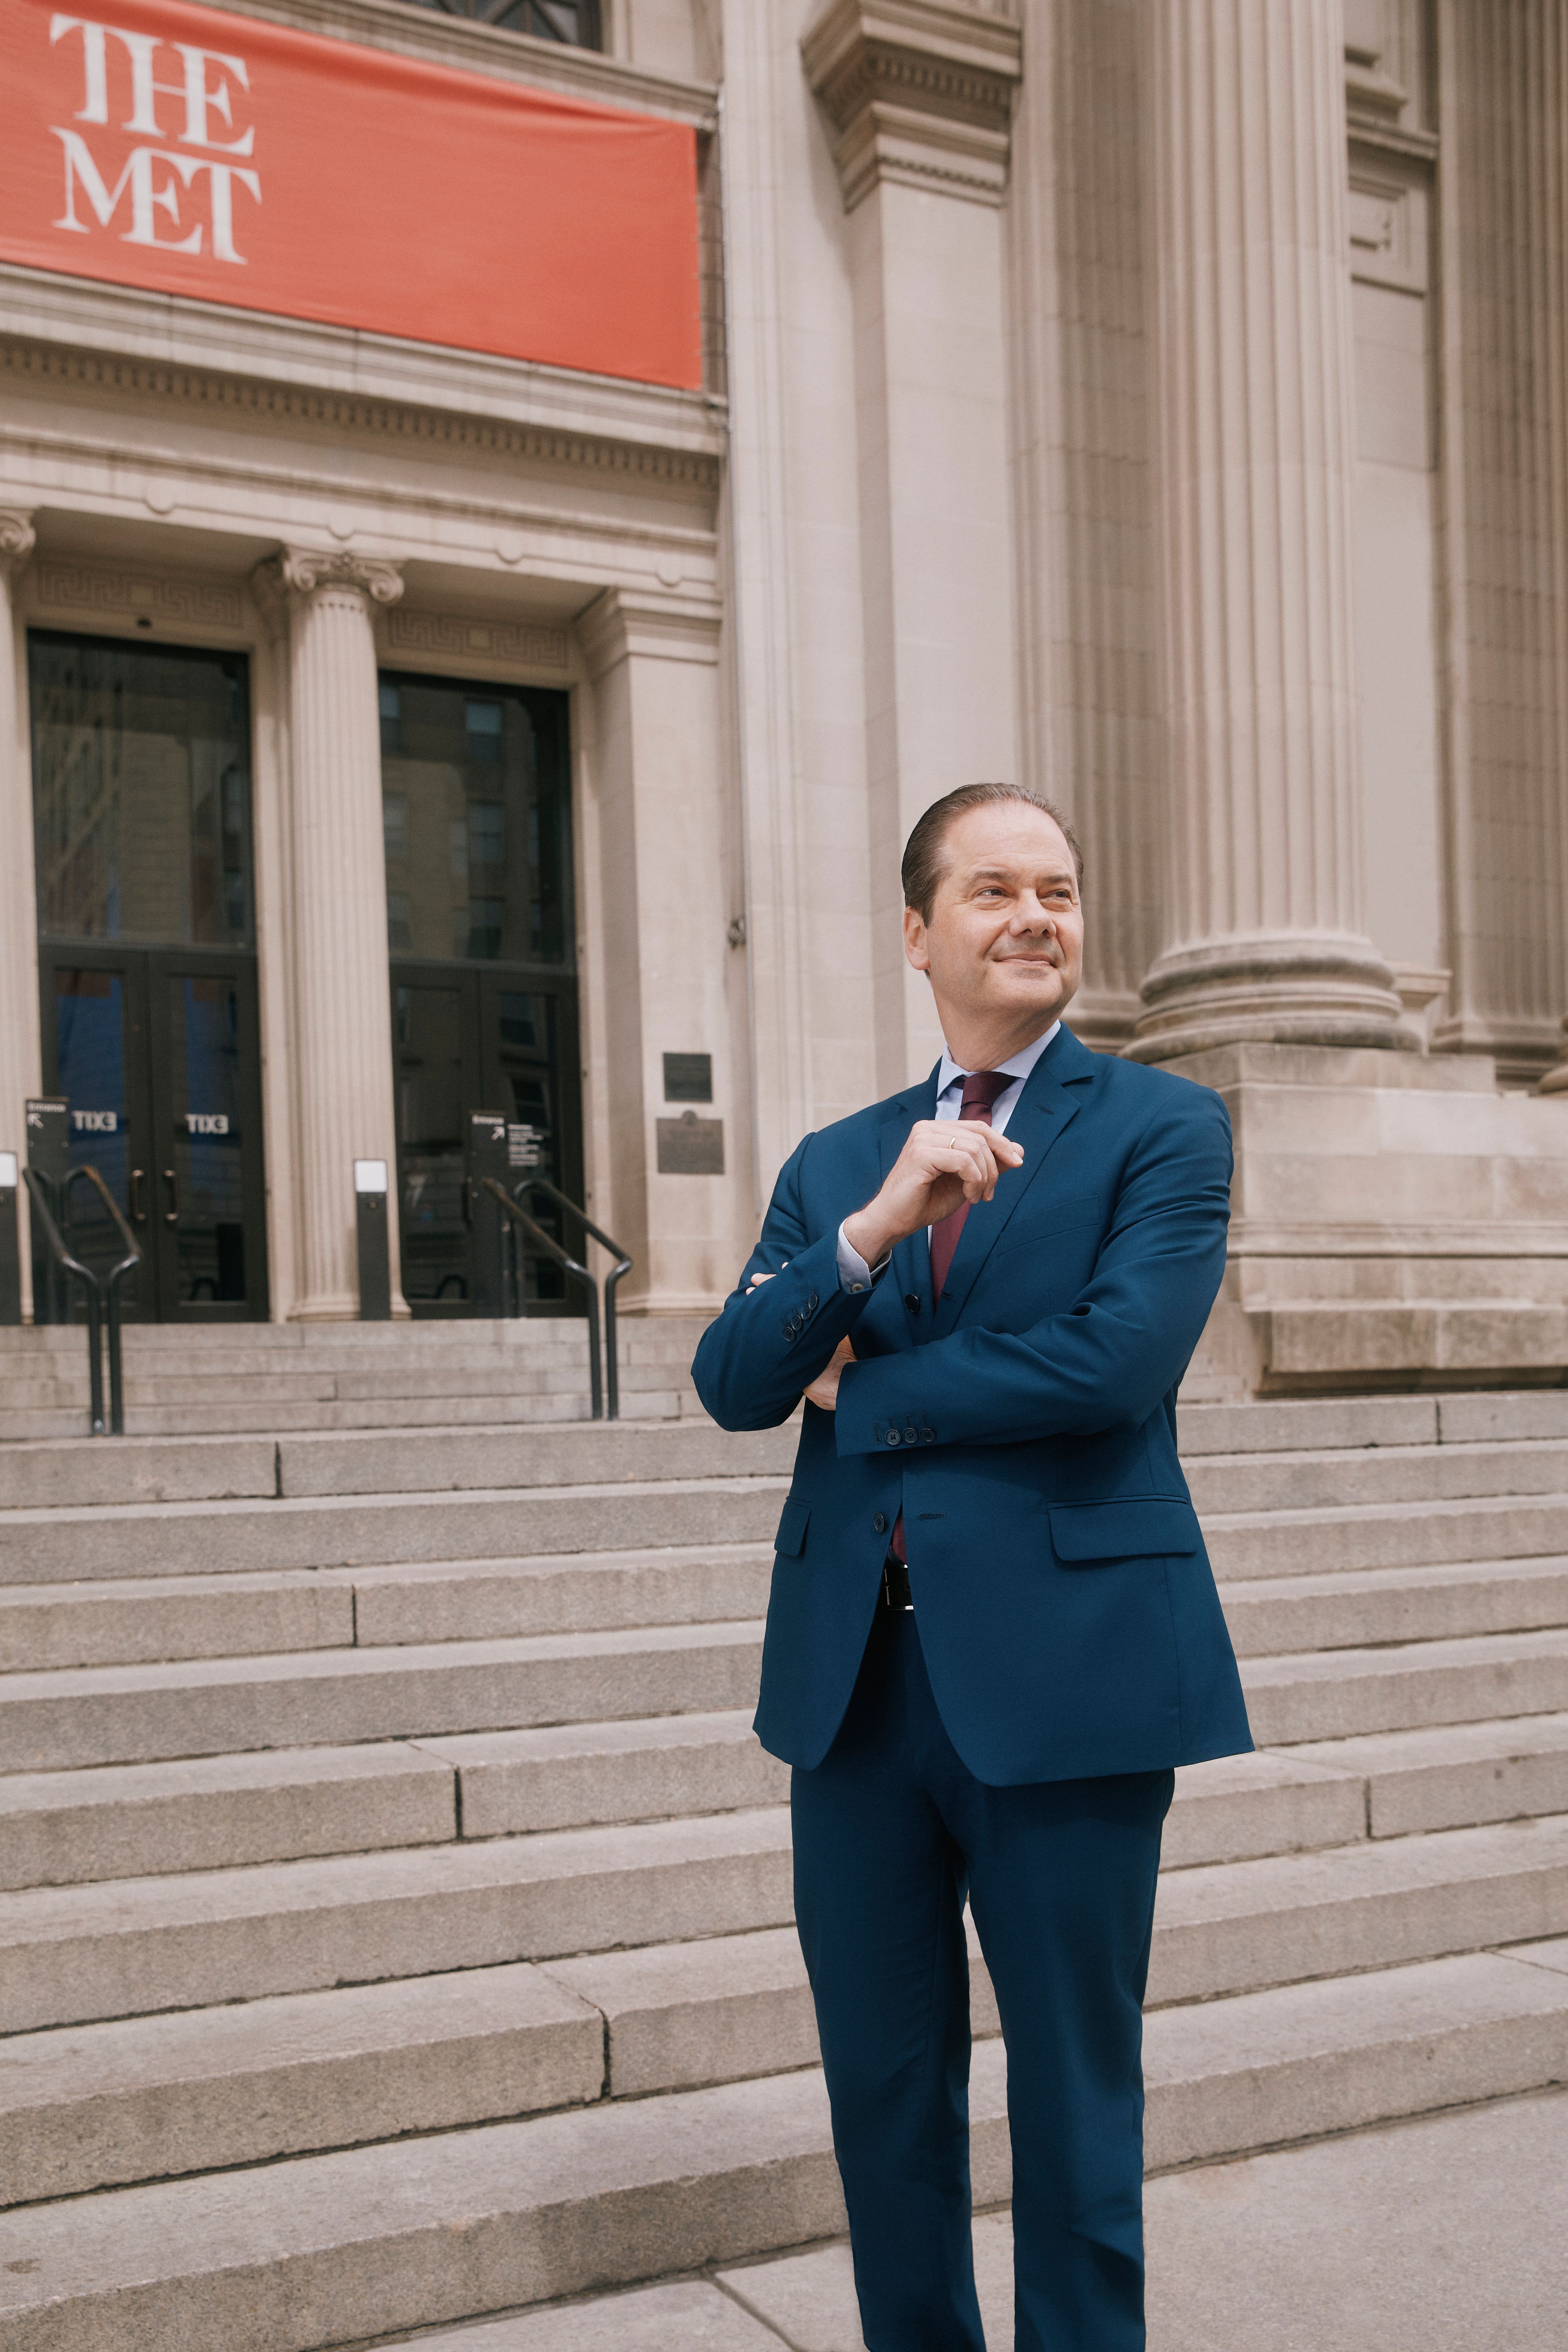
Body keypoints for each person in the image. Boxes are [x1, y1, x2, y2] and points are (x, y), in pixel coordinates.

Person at [692, 782, 1252, 2351]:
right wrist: (869, 1234)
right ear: (919, 932)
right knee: (882, 2095)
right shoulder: (834, 1162)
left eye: (1059, 891)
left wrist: (864, 1389)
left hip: (1070, 1683)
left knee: (1077, 2099)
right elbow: (735, 1377)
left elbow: (1117, 1365)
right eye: (996, 890)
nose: (1036, 917)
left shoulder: (1163, 1125)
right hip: (854, 1697)